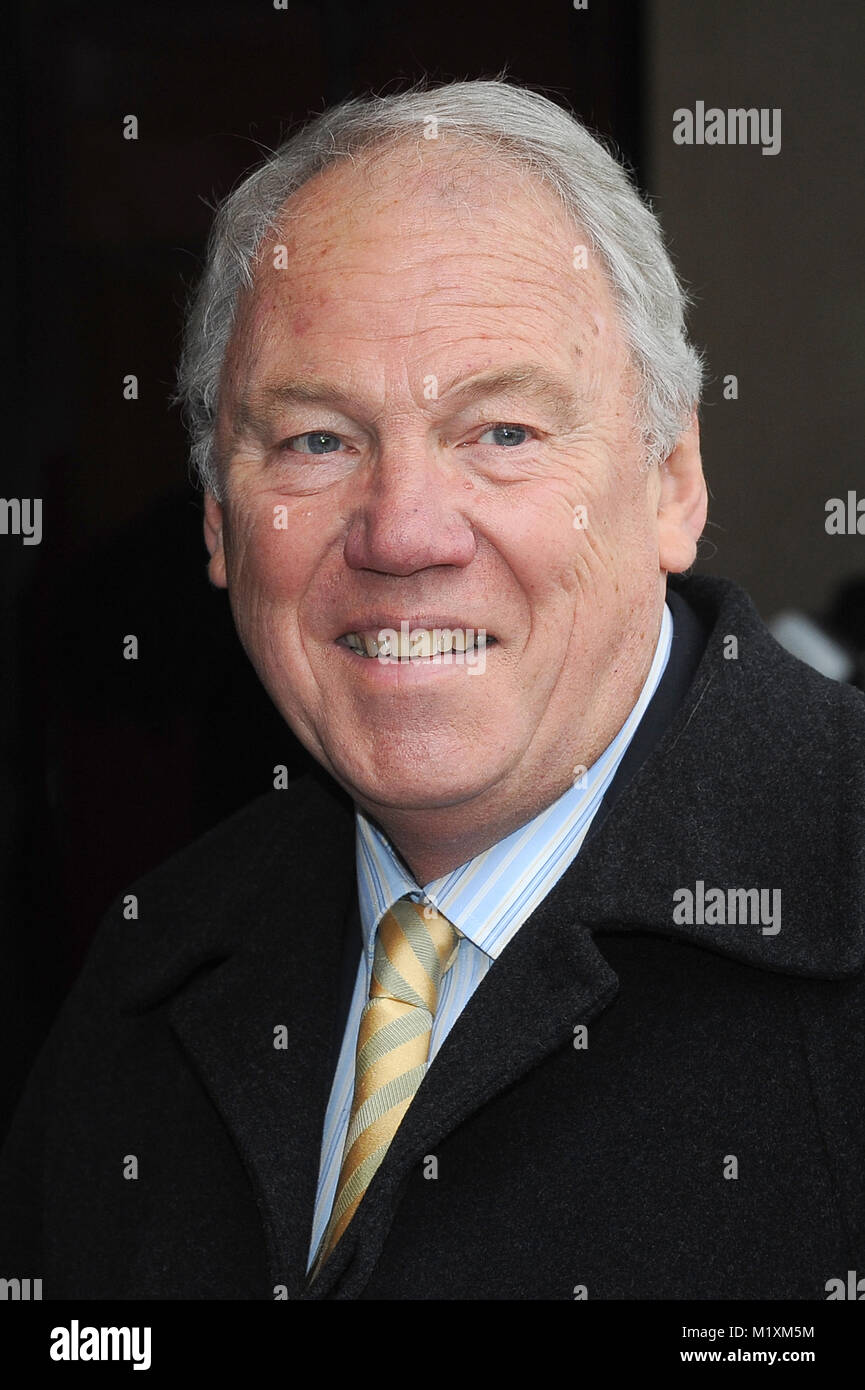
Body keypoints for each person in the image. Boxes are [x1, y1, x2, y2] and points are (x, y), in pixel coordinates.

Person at [1, 78, 863, 1302]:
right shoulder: (148, 976)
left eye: (501, 431)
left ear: (672, 483)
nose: (403, 532)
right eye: (316, 440)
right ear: (217, 521)